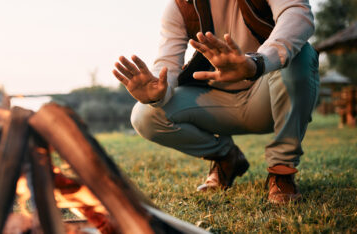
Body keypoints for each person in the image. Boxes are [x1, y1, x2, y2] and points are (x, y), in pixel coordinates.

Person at [112, 0, 319, 204]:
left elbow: (297, 13)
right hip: (217, 103)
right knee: (145, 115)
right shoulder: (180, 6)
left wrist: (257, 62)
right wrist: (156, 91)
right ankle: (227, 157)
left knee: (301, 53)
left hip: (267, 96)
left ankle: (281, 171)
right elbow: (168, 64)